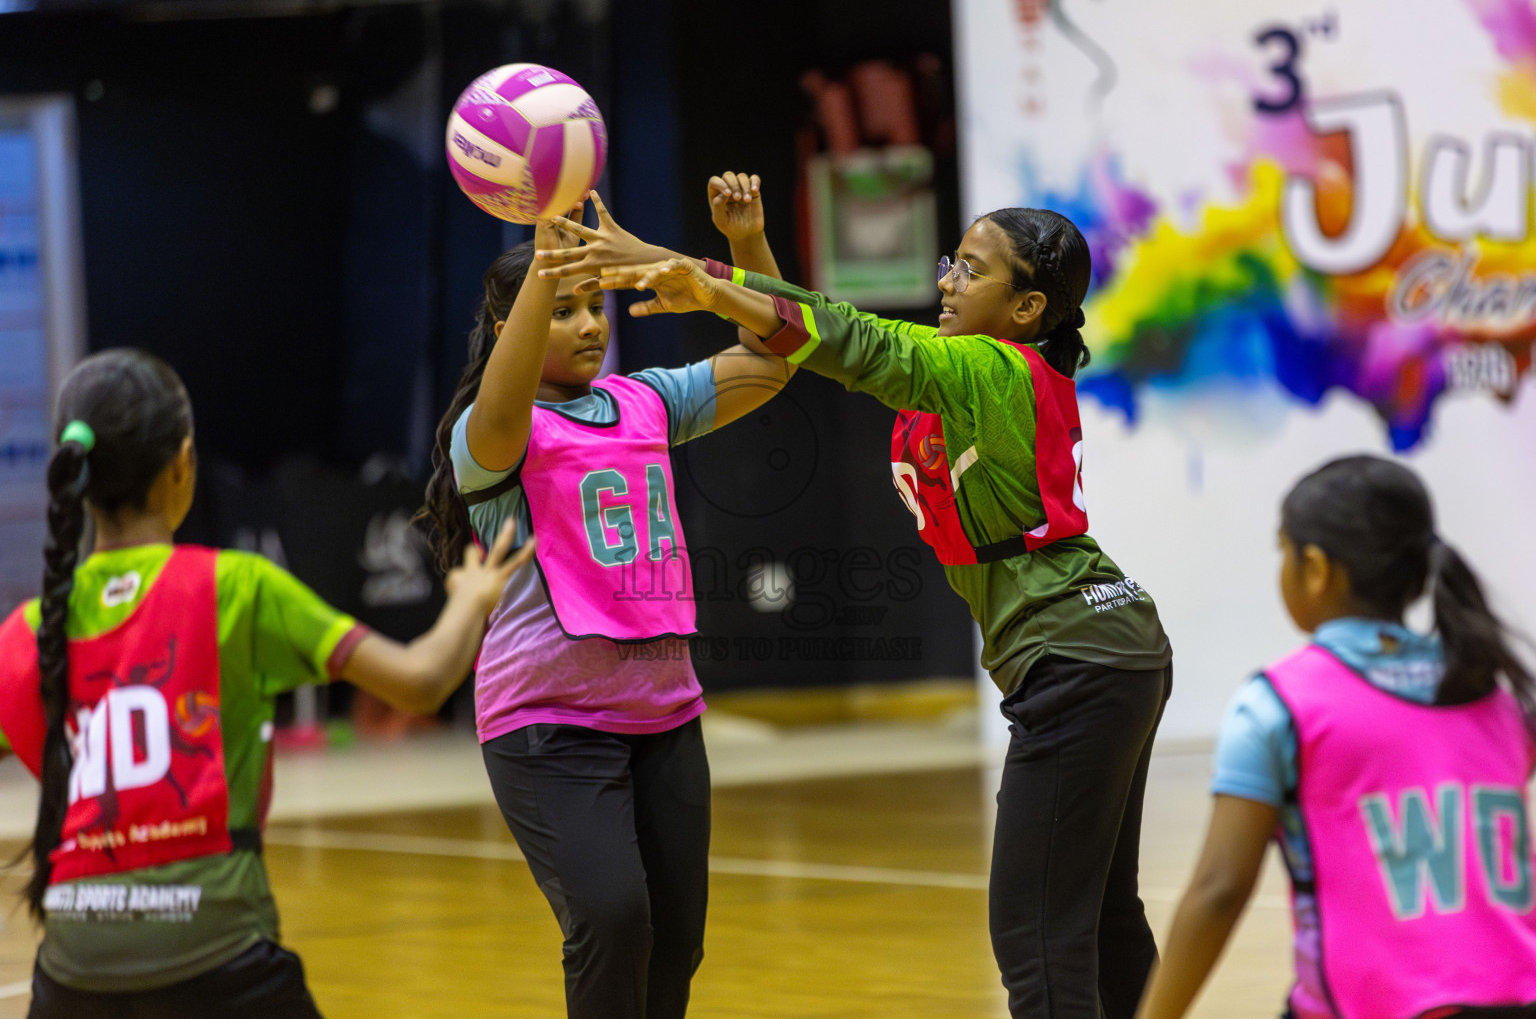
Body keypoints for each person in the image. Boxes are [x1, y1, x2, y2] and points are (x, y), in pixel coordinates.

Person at [538, 205, 1173, 1018]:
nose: (947, 279)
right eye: (954, 259)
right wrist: (693, 264)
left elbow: (851, 341)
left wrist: (707, 280)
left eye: (973, 271)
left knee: (1037, 936)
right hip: (1113, 643)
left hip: (1077, 656)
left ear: (1027, 310)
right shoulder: (987, 368)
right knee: (1102, 916)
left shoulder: (988, 367)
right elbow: (815, 325)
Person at [0, 348, 534, 1019]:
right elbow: (423, 681)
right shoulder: (234, 588)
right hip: (216, 953)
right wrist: (471, 596)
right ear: (182, 464)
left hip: (72, 969)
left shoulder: (24, 632)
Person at [413, 174, 788, 1019]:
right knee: (614, 918)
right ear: (512, 330)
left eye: (596, 306)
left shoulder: (644, 401)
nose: (589, 325)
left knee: (676, 943)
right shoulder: (494, 434)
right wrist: (547, 261)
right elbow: (502, 412)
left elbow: (773, 359)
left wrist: (748, 249)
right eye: (564, 308)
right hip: (548, 725)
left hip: (665, 714)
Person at [1135, 455, 1536, 1019]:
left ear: (1316, 569)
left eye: (1283, 552)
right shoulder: (1496, 693)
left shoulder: (1278, 704)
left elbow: (1220, 888)